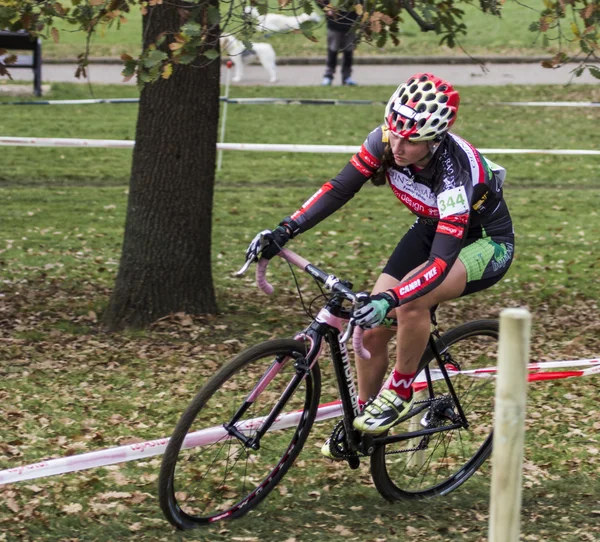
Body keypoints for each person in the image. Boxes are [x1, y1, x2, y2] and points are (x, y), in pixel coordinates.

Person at [245, 73, 514, 457]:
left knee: (409, 301)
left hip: (482, 241)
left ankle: (401, 389)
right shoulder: (386, 140)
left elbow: (441, 261)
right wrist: (285, 230)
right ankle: (364, 423)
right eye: (395, 134)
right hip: (429, 226)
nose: (399, 147)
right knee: (368, 330)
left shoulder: (455, 176)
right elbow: (339, 188)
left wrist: (391, 297)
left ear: (435, 139)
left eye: (411, 140)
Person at [316, 0, 359, 86]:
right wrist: (327, 8)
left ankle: (347, 77)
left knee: (349, 51)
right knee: (332, 50)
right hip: (334, 23)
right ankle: (328, 76)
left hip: (351, 23)